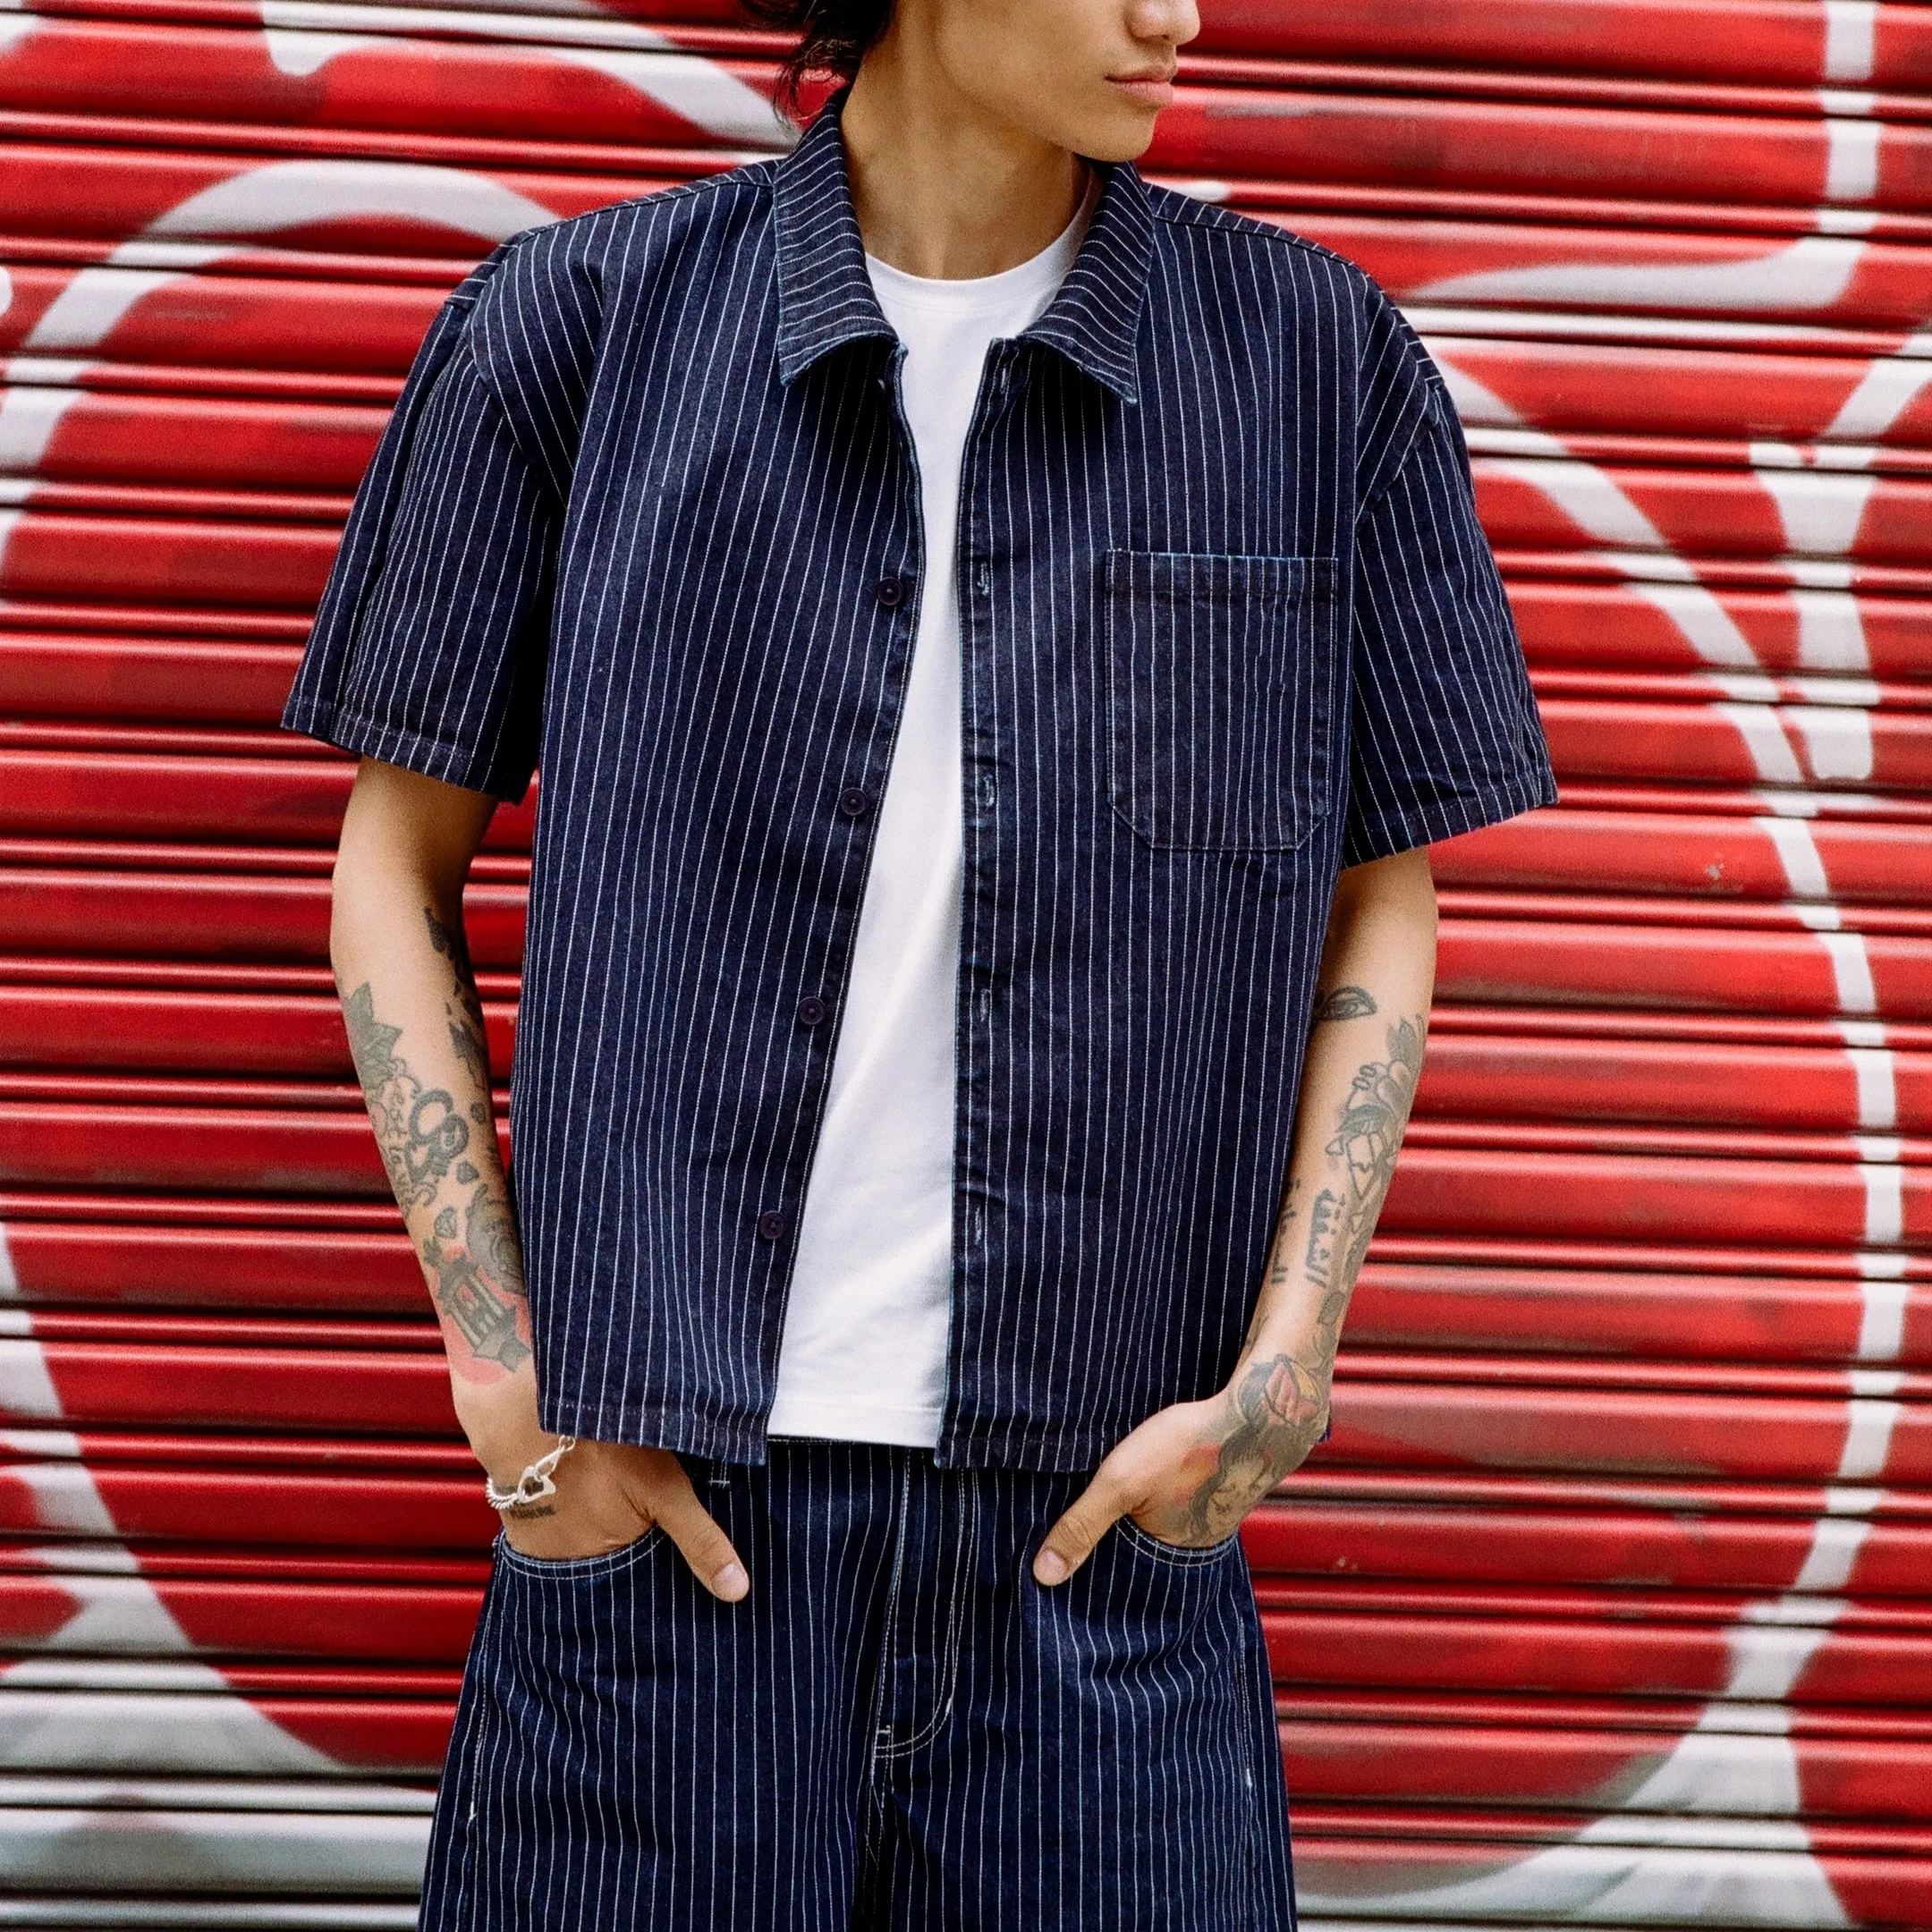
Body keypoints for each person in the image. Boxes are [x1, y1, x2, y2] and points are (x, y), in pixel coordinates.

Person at [280, 0, 1558, 1923]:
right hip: (662, 1534)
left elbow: (1382, 886)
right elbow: (395, 855)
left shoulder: (1313, 363)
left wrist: (1285, 1370)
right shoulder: (578, 328)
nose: (1174, 17)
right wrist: (506, 1384)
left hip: (1101, 1558)